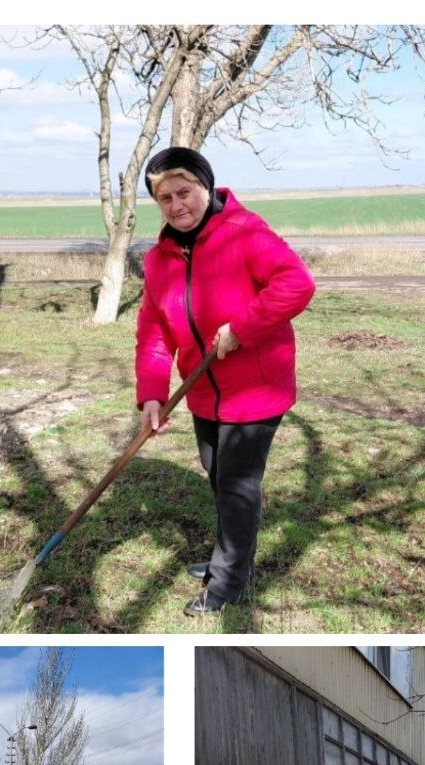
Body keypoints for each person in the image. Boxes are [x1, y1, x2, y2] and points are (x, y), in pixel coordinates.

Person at [135, 146, 316, 616]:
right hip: (202, 393)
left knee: (236, 485)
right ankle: (230, 554)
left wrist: (242, 328)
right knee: (218, 476)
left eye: (185, 192)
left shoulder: (244, 233)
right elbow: (154, 332)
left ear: (206, 187)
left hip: (256, 390)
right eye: (165, 197)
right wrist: (152, 395)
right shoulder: (159, 260)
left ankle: (228, 582)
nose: (177, 205)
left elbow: (296, 284)